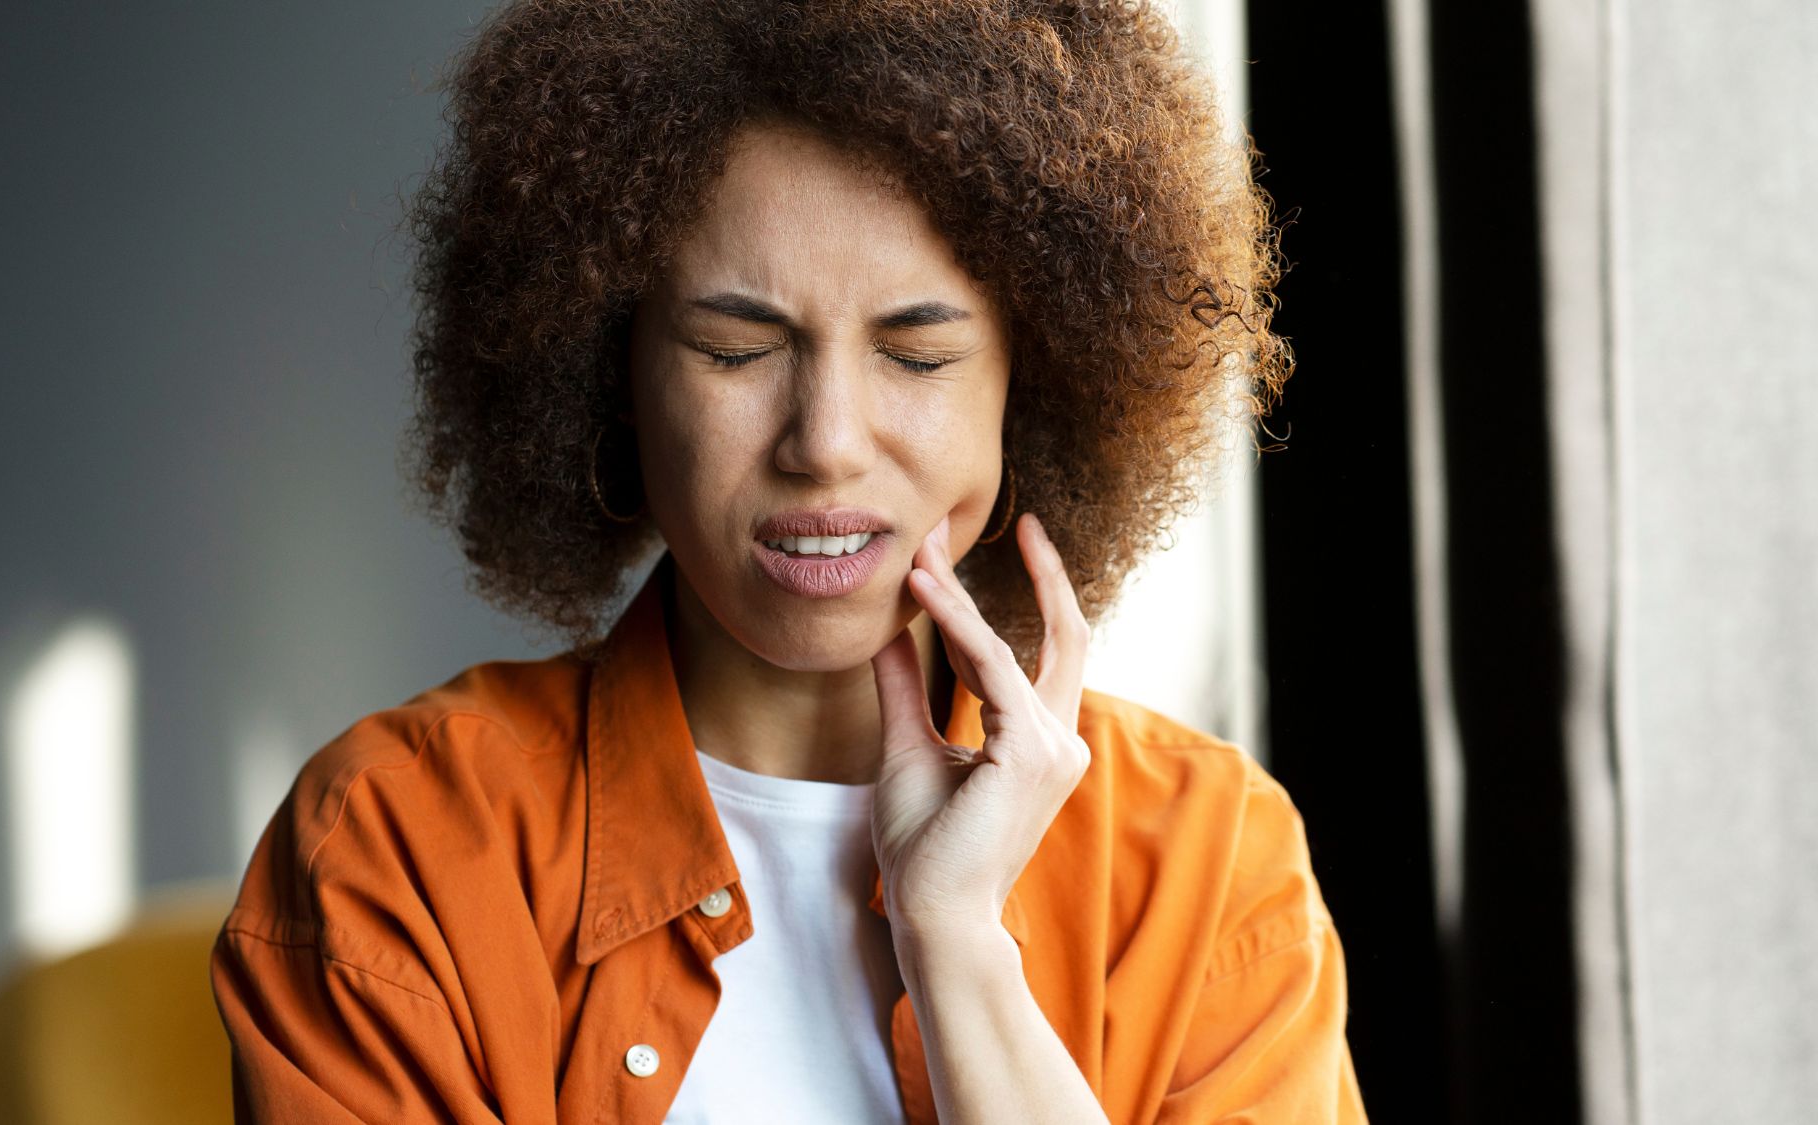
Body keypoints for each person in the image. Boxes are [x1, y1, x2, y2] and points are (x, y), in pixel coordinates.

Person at [210, 0, 1366, 1121]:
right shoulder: (396, 846)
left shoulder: (1209, 867)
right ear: (609, 370)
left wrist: (956, 941)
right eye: (735, 348)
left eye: (916, 356)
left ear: (1037, 381)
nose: (824, 443)